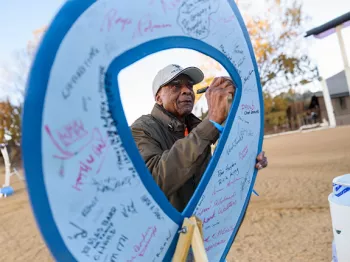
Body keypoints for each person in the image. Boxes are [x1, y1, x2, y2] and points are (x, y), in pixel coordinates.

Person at [131, 64, 268, 212]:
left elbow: (215, 174)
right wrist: (210, 122)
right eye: (176, 86)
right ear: (158, 98)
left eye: (190, 86)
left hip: (206, 222)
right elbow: (154, 181)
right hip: (172, 230)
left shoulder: (197, 128)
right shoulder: (141, 129)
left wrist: (247, 160)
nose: (186, 91)